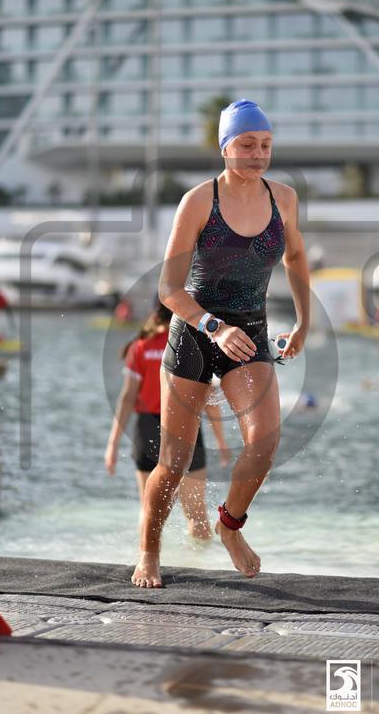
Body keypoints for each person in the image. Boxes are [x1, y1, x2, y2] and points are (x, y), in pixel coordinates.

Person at [132, 98, 310, 586]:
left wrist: (304, 321)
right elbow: (169, 289)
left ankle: (230, 526)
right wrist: (214, 327)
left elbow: (296, 258)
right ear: (225, 148)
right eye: (247, 145)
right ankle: (149, 551)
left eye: (266, 145)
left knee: (265, 441)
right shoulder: (198, 201)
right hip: (195, 332)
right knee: (174, 463)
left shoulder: (284, 199)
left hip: (249, 331)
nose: (258, 154)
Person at [105, 303, 231, 540]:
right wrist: (221, 441)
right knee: (196, 515)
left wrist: (112, 444)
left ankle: (146, 556)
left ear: (155, 313)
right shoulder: (189, 345)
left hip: (146, 429)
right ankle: (201, 560)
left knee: (148, 510)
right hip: (185, 426)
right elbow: (209, 401)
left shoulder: (140, 346)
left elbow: (127, 397)